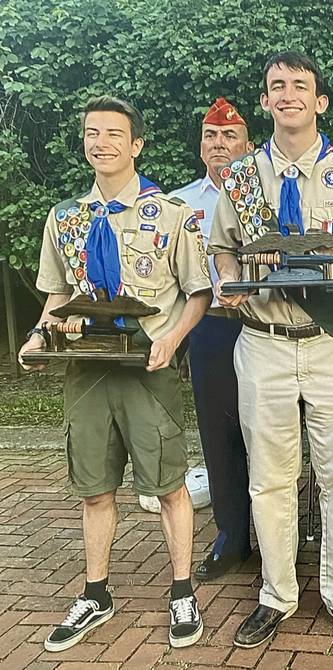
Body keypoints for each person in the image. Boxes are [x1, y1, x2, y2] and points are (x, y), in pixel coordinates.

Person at [207, 51, 333, 649]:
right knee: (269, 479)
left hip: (332, 343)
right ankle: (277, 594)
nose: (288, 94)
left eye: (300, 85)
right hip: (262, 341)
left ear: (320, 101)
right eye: (277, 86)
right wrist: (226, 280)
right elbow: (223, 248)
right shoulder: (239, 178)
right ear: (265, 101)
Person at [18, 96, 212, 650]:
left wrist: (172, 339)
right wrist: (38, 336)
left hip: (149, 368)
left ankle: (182, 590)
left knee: (168, 485)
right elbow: (57, 294)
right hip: (87, 371)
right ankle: (96, 593)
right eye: (91, 133)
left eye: (113, 134)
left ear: (136, 145)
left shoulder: (172, 215)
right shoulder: (65, 218)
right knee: (94, 488)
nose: (100, 143)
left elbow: (198, 292)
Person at [171, 97, 254, 581]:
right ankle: (232, 538)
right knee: (219, 435)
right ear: (201, 146)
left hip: (264, 324)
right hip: (212, 328)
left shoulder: (267, 195)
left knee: (271, 435)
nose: (219, 144)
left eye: (229, 136)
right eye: (210, 136)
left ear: (249, 145)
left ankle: (279, 537)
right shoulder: (179, 205)